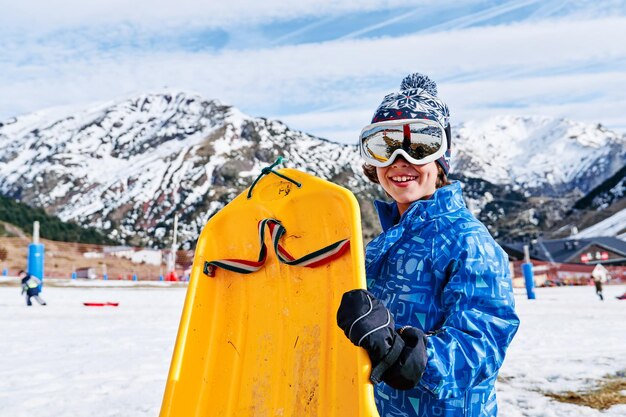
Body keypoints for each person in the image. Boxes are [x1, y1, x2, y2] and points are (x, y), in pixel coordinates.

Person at [337, 73, 519, 416]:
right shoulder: (382, 244)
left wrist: (402, 353)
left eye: (420, 145)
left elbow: (484, 345)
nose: (400, 161)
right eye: (385, 146)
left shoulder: (468, 241)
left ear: (441, 160)